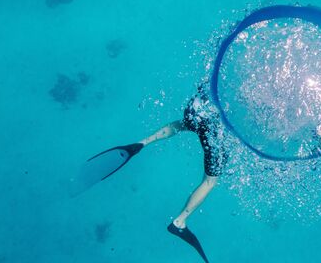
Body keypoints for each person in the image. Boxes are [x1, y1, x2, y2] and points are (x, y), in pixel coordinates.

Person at [76, 84, 226, 263]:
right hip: (214, 128)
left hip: (196, 107)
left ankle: (142, 143)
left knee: (188, 122)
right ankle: (180, 222)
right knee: (210, 181)